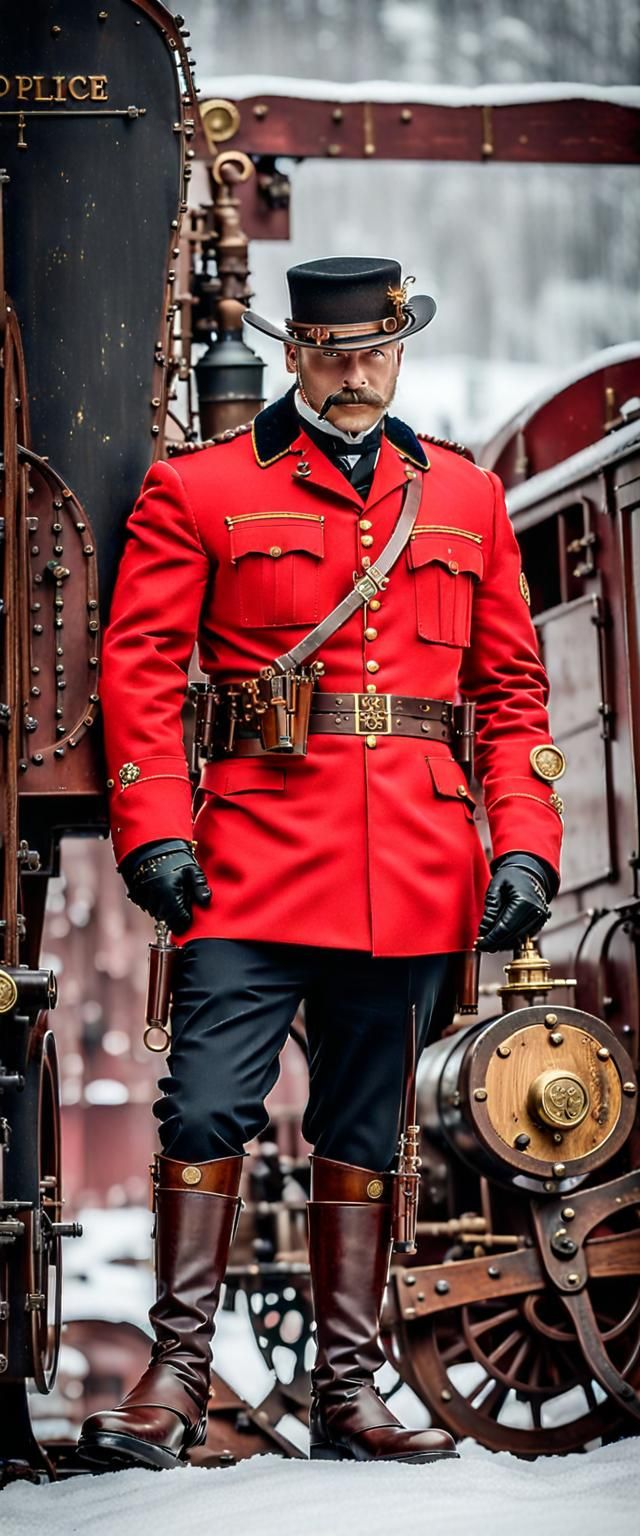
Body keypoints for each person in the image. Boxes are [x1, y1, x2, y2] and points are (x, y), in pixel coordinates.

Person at [78, 257, 564, 1470]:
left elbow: (508, 694)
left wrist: (524, 848)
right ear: (292, 352)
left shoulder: (462, 496)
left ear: (400, 350)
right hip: (244, 859)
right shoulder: (199, 489)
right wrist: (157, 834)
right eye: (332, 351)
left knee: (365, 1128)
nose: (355, 372)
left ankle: (348, 1387)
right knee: (202, 1109)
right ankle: (176, 1378)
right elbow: (137, 671)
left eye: (375, 350)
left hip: (413, 865)